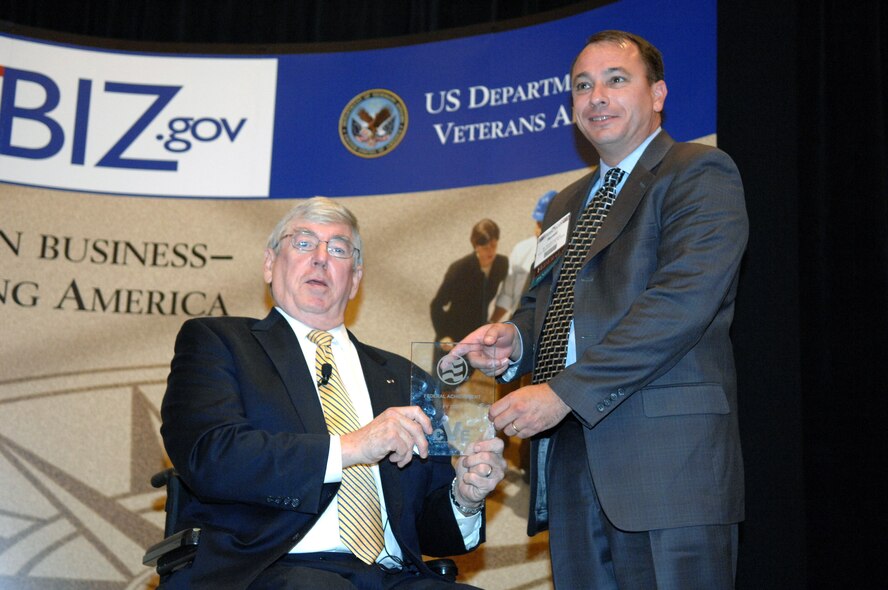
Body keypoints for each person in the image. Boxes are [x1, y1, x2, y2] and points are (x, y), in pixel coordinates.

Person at [457, 30, 748, 589]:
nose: (596, 97)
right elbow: (543, 303)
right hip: (571, 469)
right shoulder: (567, 202)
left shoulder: (699, 172)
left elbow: (680, 303)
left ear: (657, 94)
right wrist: (514, 340)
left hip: (669, 470)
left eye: (616, 80)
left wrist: (564, 392)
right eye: (582, 86)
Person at [160, 197, 506, 590]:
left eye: (338, 249)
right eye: (304, 243)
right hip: (269, 568)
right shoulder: (219, 343)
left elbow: (430, 529)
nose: (321, 258)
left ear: (355, 278)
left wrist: (465, 496)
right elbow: (211, 457)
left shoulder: (406, 377)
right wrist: (352, 447)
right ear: (270, 264)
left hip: (391, 577)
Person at [430, 219, 508, 342]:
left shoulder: (501, 264)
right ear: (476, 245)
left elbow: (508, 294)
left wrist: (492, 323)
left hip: (478, 336)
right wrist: (443, 335)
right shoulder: (459, 269)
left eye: (494, 245)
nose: (491, 251)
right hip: (452, 336)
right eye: (485, 247)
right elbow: (436, 304)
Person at [493, 190, 556, 322]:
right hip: (518, 322)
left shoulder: (569, 254)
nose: (539, 231)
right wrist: (491, 323)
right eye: (538, 224)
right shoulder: (521, 250)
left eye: (544, 224)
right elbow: (507, 295)